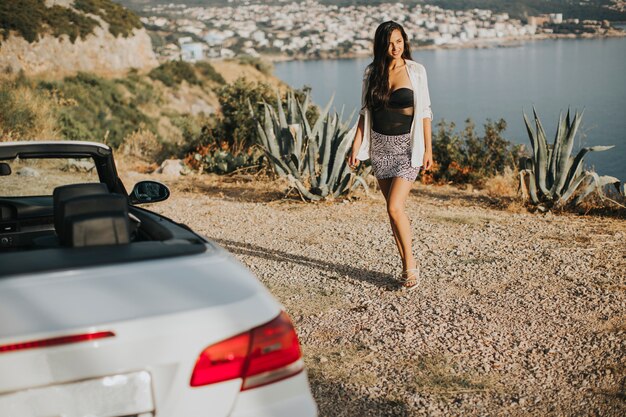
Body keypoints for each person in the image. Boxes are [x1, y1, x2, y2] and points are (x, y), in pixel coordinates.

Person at [348, 21, 433, 291]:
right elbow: (364, 113)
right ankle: (406, 265)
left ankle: (411, 266)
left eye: (399, 41)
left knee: (395, 207)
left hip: (408, 147)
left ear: (404, 41)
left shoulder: (416, 71)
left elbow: (426, 112)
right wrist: (356, 147)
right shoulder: (371, 72)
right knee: (392, 211)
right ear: (381, 45)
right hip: (380, 148)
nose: (395, 47)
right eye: (389, 42)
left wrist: (429, 149)